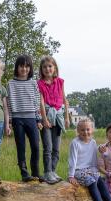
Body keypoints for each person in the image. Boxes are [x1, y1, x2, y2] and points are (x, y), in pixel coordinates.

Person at [68, 119, 111, 201]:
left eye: (88, 129)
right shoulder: (75, 143)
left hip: (91, 169)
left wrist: (97, 170)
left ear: (92, 130)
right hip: (79, 170)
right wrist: (71, 175)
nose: (85, 132)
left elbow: (95, 157)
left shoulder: (93, 142)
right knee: (92, 181)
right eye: (82, 130)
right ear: (78, 131)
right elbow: (72, 160)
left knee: (100, 181)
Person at [7, 55, 42, 182]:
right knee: (21, 146)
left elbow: (36, 101)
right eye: (21, 66)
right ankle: (24, 173)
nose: (24, 69)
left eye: (27, 66)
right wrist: (10, 120)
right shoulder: (11, 84)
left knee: (36, 146)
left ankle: (36, 172)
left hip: (31, 118)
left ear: (30, 68)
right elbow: (9, 103)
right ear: (17, 67)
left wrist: (38, 119)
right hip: (17, 119)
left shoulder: (33, 83)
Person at [38, 55, 70, 184]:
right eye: (45, 67)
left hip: (58, 115)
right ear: (41, 69)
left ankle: (53, 170)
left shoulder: (60, 81)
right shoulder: (39, 83)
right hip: (46, 114)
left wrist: (67, 116)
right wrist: (44, 119)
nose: (47, 69)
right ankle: (47, 172)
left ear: (55, 68)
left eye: (50, 66)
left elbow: (64, 99)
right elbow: (40, 102)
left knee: (56, 147)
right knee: (48, 147)